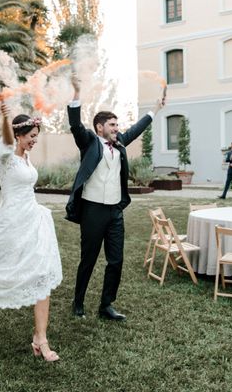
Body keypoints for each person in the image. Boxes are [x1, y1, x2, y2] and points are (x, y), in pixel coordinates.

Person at [0, 102, 62, 362]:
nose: (34, 142)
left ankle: (40, 338)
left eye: (36, 138)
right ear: (18, 135)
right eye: (31, 137)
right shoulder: (6, 154)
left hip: (33, 220)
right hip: (10, 223)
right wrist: (5, 117)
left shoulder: (26, 158)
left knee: (42, 274)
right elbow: (6, 137)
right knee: (4, 272)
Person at [66, 75, 164, 321]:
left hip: (114, 212)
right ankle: (78, 302)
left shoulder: (119, 143)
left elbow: (137, 129)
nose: (117, 129)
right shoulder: (89, 142)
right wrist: (77, 93)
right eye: (112, 125)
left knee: (116, 261)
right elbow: (76, 126)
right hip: (92, 210)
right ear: (100, 127)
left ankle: (106, 305)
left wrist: (155, 109)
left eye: (117, 125)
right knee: (88, 260)